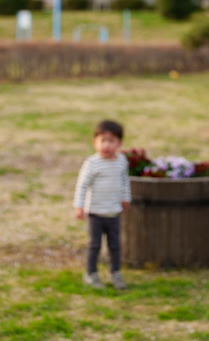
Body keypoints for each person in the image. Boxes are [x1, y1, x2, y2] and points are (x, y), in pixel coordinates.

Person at [73, 118, 131, 290]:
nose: (106, 145)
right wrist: (79, 206)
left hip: (113, 212)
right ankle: (91, 274)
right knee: (95, 245)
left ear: (119, 143)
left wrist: (126, 198)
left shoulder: (121, 162)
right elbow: (82, 185)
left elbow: (124, 181)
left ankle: (115, 273)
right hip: (95, 213)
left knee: (115, 245)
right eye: (102, 141)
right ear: (95, 142)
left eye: (111, 141)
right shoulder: (92, 163)